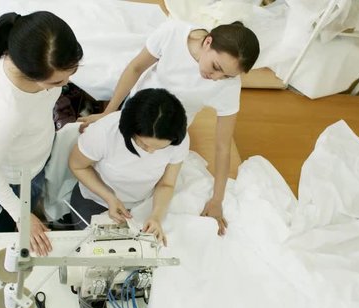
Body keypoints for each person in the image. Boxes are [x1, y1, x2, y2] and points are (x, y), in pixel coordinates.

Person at [79, 20, 260, 236]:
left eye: (227, 76)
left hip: (169, 135)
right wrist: (108, 112)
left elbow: (222, 146)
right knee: (112, 163)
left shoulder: (227, 85)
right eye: (216, 68)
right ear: (207, 42)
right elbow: (136, 67)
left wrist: (217, 200)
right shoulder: (173, 34)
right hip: (138, 114)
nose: (217, 78)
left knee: (150, 181)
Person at [0, 11, 83, 256]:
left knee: (33, 196)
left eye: (70, 75)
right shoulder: (5, 115)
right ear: (31, 74)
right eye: (56, 82)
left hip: (35, 154)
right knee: (5, 224)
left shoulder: (29, 53)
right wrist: (22, 215)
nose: (65, 84)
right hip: (16, 177)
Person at [69, 88, 188, 246]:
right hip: (97, 199)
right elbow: (77, 166)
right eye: (144, 145)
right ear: (129, 130)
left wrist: (156, 217)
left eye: (160, 148)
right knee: (101, 251)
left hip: (144, 202)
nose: (151, 152)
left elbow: (166, 184)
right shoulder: (104, 133)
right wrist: (110, 197)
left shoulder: (178, 139)